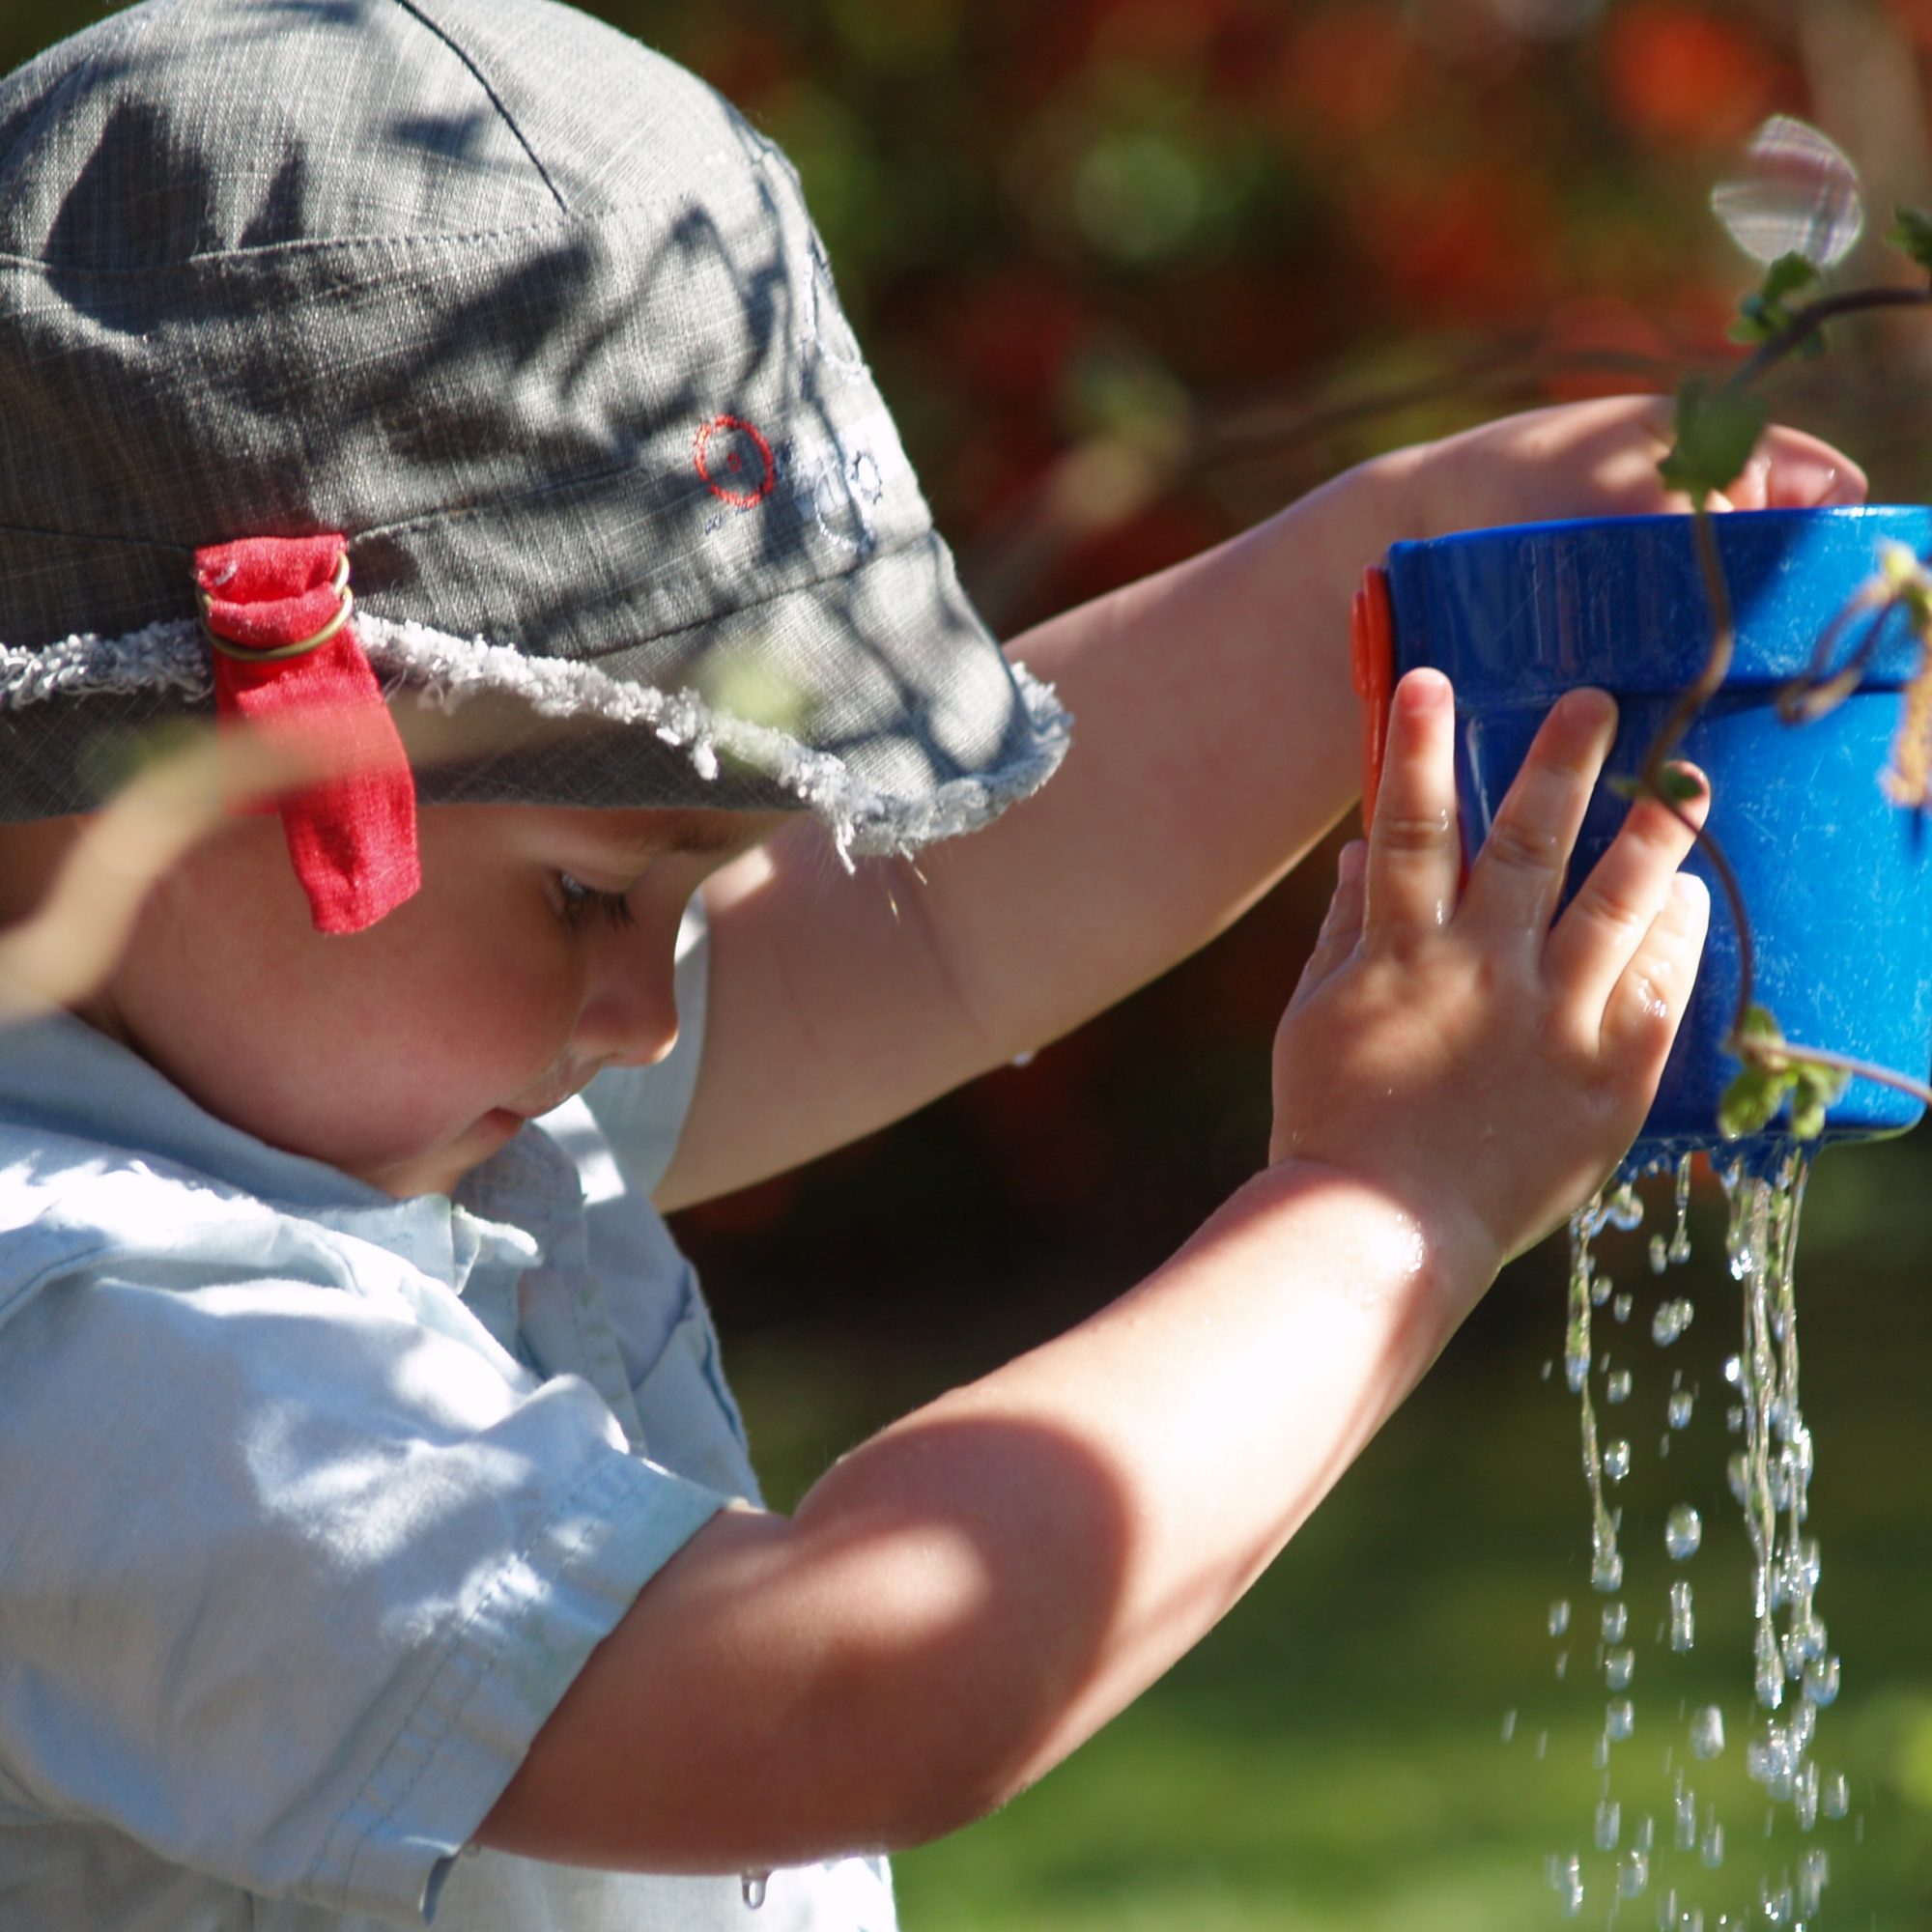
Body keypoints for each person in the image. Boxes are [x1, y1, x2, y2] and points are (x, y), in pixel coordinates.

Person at [0, 2, 1865, 1929]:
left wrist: (1383, 565)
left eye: (688, 893)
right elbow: (841, 1683)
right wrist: (1391, 1197)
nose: (647, 1003)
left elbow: (946, 912)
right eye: (585, 891)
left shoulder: (340, 1092)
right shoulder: (83, 1352)